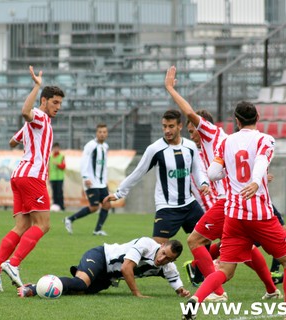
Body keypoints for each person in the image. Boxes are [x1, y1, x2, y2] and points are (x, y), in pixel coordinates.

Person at [165, 66, 281, 301]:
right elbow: (251, 161)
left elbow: (188, 112)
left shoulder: (211, 133)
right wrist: (256, 179)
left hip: (230, 202)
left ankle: (216, 293)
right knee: (246, 248)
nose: (192, 135)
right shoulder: (232, 141)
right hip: (243, 202)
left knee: (194, 240)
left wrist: (170, 88)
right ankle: (271, 289)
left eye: (192, 130)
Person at [182, 101, 286, 320]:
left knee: (225, 271)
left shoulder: (226, 142)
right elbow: (259, 161)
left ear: (237, 121)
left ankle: (196, 300)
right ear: (257, 117)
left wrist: (230, 176)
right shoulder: (265, 139)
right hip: (260, 215)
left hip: (234, 216)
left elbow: (212, 174)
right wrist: (256, 182)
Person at [0, 66, 65, 292]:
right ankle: (14, 263)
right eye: (55, 102)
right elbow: (26, 112)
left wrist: (28, 139)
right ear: (44, 101)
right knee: (44, 224)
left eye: (60, 103)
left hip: (18, 176)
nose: (58, 107)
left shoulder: (37, 124)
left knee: (22, 226)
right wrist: (37, 86)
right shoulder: (39, 116)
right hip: (32, 177)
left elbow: (13, 141)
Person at [104, 109, 209, 244]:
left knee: (205, 239)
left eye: (171, 126)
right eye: (164, 126)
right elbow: (138, 172)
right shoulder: (155, 149)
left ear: (180, 126)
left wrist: (203, 183)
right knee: (157, 251)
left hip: (189, 205)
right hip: (167, 208)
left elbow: (196, 170)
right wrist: (119, 193)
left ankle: (198, 266)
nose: (167, 130)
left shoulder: (190, 147)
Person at [17, 237, 190, 298]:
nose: (162, 258)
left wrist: (181, 290)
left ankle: (49, 283)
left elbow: (175, 281)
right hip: (100, 256)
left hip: (107, 278)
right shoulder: (146, 244)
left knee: (78, 292)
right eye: (163, 252)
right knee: (80, 284)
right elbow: (126, 268)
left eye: (168, 258)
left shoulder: (168, 267)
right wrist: (137, 293)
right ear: (161, 245)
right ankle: (33, 288)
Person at [64, 124, 111, 236]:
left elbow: (103, 166)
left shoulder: (105, 146)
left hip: (101, 183)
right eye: (100, 132)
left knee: (107, 204)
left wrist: (105, 181)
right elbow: (84, 161)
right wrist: (85, 177)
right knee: (94, 207)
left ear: (107, 133)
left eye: (104, 132)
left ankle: (97, 230)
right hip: (91, 181)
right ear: (96, 133)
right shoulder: (90, 145)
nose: (102, 134)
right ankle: (70, 219)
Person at [49, 142, 66, 211]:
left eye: (57, 148)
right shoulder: (50, 157)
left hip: (59, 178)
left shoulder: (62, 156)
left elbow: (63, 166)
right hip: (52, 178)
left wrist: (58, 164)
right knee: (54, 192)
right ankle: (55, 206)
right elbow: (48, 168)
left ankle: (61, 206)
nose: (56, 149)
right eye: (54, 148)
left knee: (59, 192)